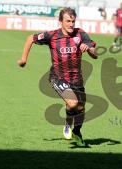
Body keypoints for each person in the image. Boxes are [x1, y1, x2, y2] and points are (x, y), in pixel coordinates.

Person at [17, 7, 98, 147]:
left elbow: (95, 55)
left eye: (73, 21)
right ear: (61, 21)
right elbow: (30, 38)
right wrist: (23, 59)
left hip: (77, 79)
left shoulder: (81, 34)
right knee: (73, 103)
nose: (71, 24)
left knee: (81, 109)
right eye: (68, 21)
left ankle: (76, 132)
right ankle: (68, 124)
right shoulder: (52, 35)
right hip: (58, 77)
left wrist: (89, 48)